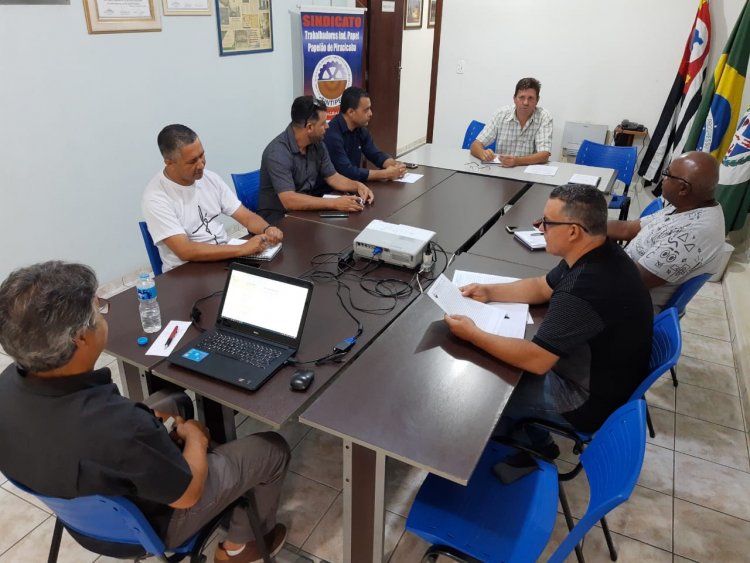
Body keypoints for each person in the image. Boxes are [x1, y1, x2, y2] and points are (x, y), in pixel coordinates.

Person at [0, 262, 290, 563]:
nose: (102, 316)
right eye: (98, 311)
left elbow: (113, 432)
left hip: (80, 517)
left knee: (172, 400)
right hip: (147, 527)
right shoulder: (119, 427)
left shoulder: (7, 385)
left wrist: (149, 429)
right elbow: (188, 495)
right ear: (81, 338)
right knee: (272, 449)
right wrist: (196, 440)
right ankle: (238, 548)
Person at [444, 184, 652, 466]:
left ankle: (521, 446)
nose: (540, 228)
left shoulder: (585, 287)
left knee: (487, 392)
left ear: (573, 231)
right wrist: (489, 291)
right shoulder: (599, 251)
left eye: (547, 222)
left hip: (583, 400)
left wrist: (473, 334)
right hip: (603, 376)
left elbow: (537, 360)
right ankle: (535, 439)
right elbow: (542, 287)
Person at [142, 124, 283, 272]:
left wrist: (267, 229)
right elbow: (185, 251)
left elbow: (246, 217)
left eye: (202, 155)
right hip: (187, 272)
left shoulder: (210, 178)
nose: (201, 165)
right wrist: (242, 249)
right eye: (192, 161)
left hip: (224, 259)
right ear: (169, 162)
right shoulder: (155, 198)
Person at [608, 151, 726, 313]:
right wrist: (582, 225)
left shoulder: (693, 234)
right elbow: (626, 229)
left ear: (683, 188)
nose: (663, 178)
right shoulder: (686, 206)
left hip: (629, 308)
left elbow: (628, 283)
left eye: (667, 174)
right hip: (622, 277)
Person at [257, 96, 375, 223]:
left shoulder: (317, 144)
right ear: (309, 127)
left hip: (304, 212)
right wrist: (334, 203)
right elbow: (289, 200)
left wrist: (357, 186)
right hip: (277, 219)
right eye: (323, 123)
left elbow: (333, 177)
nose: (327, 126)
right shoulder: (277, 153)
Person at [323, 86, 406, 182]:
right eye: (366, 110)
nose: (371, 114)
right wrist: (386, 174)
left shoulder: (361, 129)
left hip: (354, 185)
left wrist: (395, 165)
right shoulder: (332, 135)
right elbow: (348, 172)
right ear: (351, 112)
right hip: (333, 188)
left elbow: (375, 154)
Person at [469, 77, 553, 167]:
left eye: (530, 98)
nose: (526, 102)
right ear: (514, 99)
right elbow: (475, 145)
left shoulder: (544, 117)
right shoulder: (501, 114)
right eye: (522, 97)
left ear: (537, 100)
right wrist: (483, 153)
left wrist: (517, 161)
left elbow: (544, 155)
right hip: (501, 170)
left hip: (527, 170)